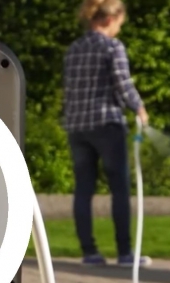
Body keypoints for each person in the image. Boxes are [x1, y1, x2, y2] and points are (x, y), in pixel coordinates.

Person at [62, 0, 152, 267]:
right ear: (110, 19)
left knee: (83, 189)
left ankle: (89, 252)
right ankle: (124, 253)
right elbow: (123, 85)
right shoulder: (112, 47)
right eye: (119, 24)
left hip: (77, 127)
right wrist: (139, 108)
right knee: (119, 188)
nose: (119, 30)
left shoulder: (74, 49)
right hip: (106, 125)